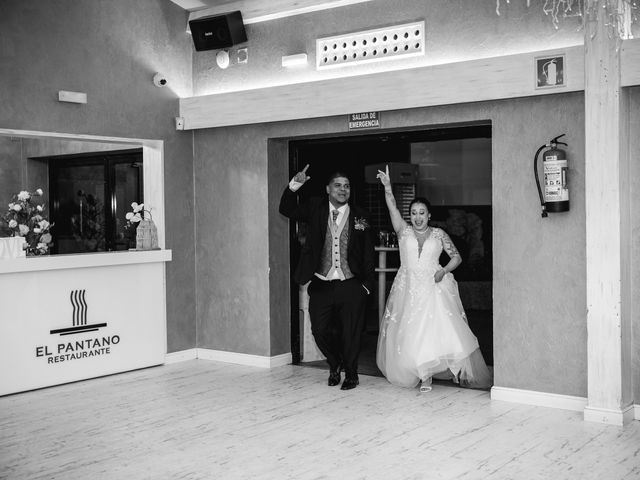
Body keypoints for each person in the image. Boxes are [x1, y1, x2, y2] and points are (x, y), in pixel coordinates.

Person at [375, 165, 492, 392]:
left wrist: (443, 270)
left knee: (433, 330)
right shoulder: (403, 231)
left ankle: (430, 374)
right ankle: (420, 372)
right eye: (414, 213)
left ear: (429, 215)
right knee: (411, 331)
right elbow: (392, 207)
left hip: (433, 286)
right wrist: (388, 187)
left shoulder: (439, 234)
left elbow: (457, 257)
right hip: (407, 287)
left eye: (422, 213)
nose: (417, 217)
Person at [280, 165, 375, 390]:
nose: (343, 190)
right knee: (319, 330)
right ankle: (335, 363)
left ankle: (351, 374)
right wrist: (295, 184)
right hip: (321, 282)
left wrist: (367, 286)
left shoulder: (361, 215)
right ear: (327, 189)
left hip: (351, 283)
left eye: (347, 186)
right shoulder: (315, 208)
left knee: (351, 332)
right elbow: (286, 209)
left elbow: (368, 251)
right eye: (338, 185)